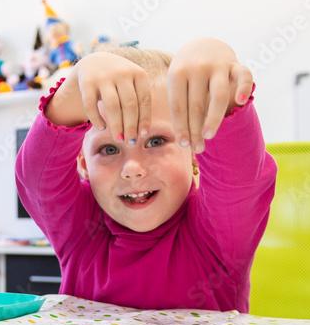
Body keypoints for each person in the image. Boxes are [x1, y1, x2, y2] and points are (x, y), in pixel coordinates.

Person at [15, 39, 277, 311]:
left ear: (194, 153)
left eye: (155, 142)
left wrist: (218, 84)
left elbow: (239, 177)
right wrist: (74, 87)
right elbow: (36, 179)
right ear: (83, 164)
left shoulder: (218, 235)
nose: (132, 169)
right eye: (108, 148)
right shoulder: (81, 231)